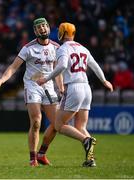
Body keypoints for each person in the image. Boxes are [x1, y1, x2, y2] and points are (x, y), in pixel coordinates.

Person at [0, 17, 64, 167]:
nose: (42, 29)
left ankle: (42, 153)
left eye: (44, 26)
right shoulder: (28, 48)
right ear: (35, 31)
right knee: (36, 121)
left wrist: (61, 88)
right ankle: (33, 158)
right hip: (32, 86)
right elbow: (13, 67)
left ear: (48, 28)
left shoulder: (56, 47)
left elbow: (58, 71)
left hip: (49, 88)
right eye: (39, 28)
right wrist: (0, 81)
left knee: (57, 124)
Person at [37, 22, 113, 167]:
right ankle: (91, 159)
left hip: (73, 87)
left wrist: (46, 79)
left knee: (59, 125)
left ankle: (86, 140)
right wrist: (104, 81)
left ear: (62, 33)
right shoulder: (83, 48)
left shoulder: (62, 48)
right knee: (81, 127)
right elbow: (95, 65)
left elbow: (63, 65)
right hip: (86, 88)